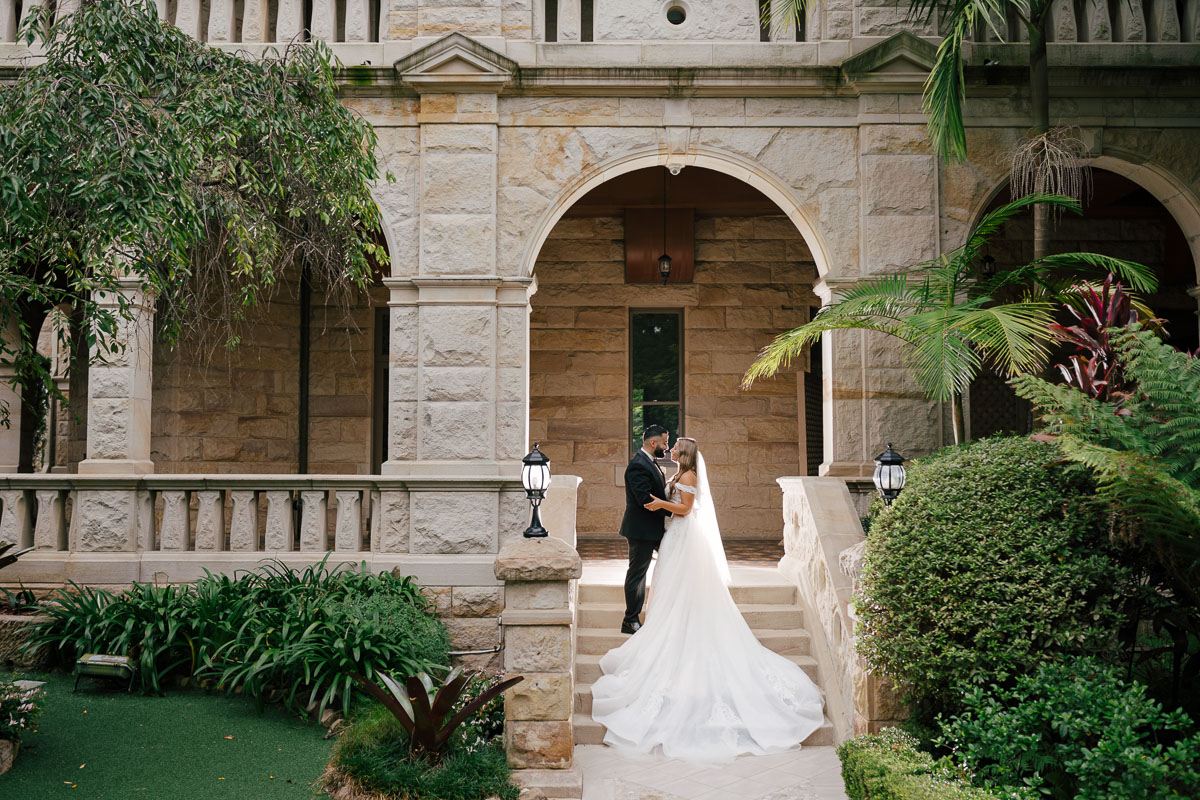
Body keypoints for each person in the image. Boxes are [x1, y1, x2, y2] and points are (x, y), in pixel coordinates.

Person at [591, 437, 826, 762]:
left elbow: (686, 509)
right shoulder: (678, 473)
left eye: (676, 447)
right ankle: (668, 623)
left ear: (685, 454)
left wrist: (661, 505)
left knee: (680, 585)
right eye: (670, 445)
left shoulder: (688, 476)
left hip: (684, 537)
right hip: (674, 538)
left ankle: (682, 627)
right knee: (667, 585)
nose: (671, 449)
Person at [617, 424, 671, 635]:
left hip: (654, 529)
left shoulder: (650, 462)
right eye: (664, 443)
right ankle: (630, 620)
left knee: (673, 564)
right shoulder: (638, 465)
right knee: (637, 574)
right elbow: (645, 499)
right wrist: (676, 511)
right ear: (653, 442)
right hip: (641, 530)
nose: (666, 447)